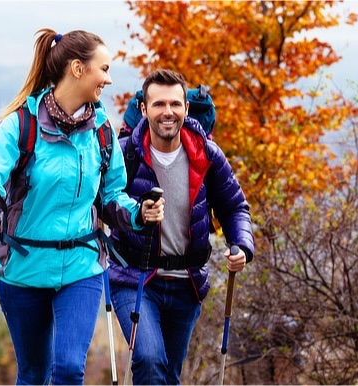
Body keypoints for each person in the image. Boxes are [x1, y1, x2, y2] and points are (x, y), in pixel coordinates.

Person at [0, 28, 156, 385]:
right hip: (24, 270)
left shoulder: (101, 130)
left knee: (69, 368)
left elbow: (112, 195)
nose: (109, 78)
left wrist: (138, 212)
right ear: (78, 69)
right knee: (34, 373)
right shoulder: (20, 126)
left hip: (81, 267)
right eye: (103, 68)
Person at [107, 69, 255, 385]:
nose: (168, 112)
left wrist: (241, 245)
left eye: (175, 104)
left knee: (168, 375)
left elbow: (234, 208)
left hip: (187, 282)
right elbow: (102, 203)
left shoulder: (207, 155)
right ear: (144, 109)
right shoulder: (125, 155)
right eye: (159, 104)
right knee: (149, 361)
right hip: (134, 278)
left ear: (186, 109)